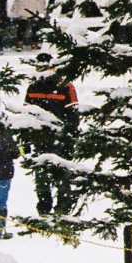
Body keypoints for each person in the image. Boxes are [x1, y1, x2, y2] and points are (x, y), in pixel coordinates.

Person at [25, 55, 77, 217]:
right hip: (39, 138)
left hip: (61, 139)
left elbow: (73, 115)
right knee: (41, 175)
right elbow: (27, 114)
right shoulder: (33, 87)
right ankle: (44, 205)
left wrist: (70, 138)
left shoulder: (66, 86)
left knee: (62, 173)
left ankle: (63, 206)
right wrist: (26, 139)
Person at [0, 113, 18, 238]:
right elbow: (14, 153)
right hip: (4, 175)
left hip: (4, 174)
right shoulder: (7, 137)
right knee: (1, 203)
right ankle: (0, 229)